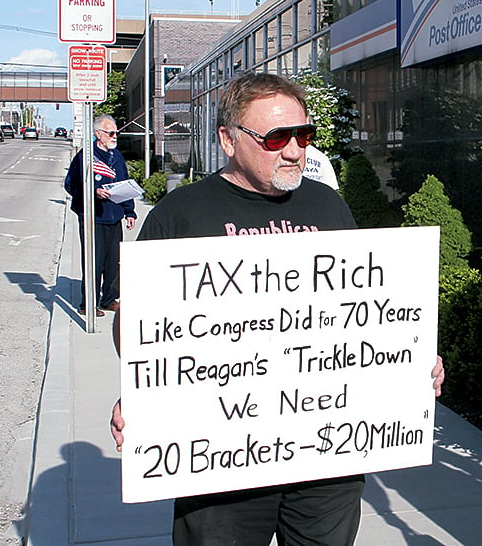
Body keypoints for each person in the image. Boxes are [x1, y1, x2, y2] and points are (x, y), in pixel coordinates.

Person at [109, 72, 445, 545]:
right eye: (276, 137)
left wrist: (409, 359)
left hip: (328, 454)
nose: (294, 150)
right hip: (220, 462)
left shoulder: (329, 207)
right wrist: (145, 389)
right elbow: (138, 328)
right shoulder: (180, 215)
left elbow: (363, 314)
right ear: (228, 139)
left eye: (303, 135)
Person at [64, 114, 136, 316]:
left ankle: (109, 299)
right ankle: (89, 303)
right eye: (111, 132)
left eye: (116, 132)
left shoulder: (117, 156)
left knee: (113, 261)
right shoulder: (85, 156)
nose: (115, 136)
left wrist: (129, 211)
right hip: (92, 217)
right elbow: (71, 184)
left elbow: (124, 183)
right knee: (93, 260)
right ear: (98, 133)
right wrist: (93, 192)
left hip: (114, 216)